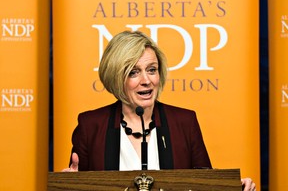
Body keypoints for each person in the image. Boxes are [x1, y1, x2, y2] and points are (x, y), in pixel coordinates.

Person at [63, 30, 256, 191]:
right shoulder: (90, 126)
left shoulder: (184, 122)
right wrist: (68, 185)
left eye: (152, 69)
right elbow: (79, 184)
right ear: (115, 77)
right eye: (133, 72)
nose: (146, 80)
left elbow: (205, 185)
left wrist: (233, 187)